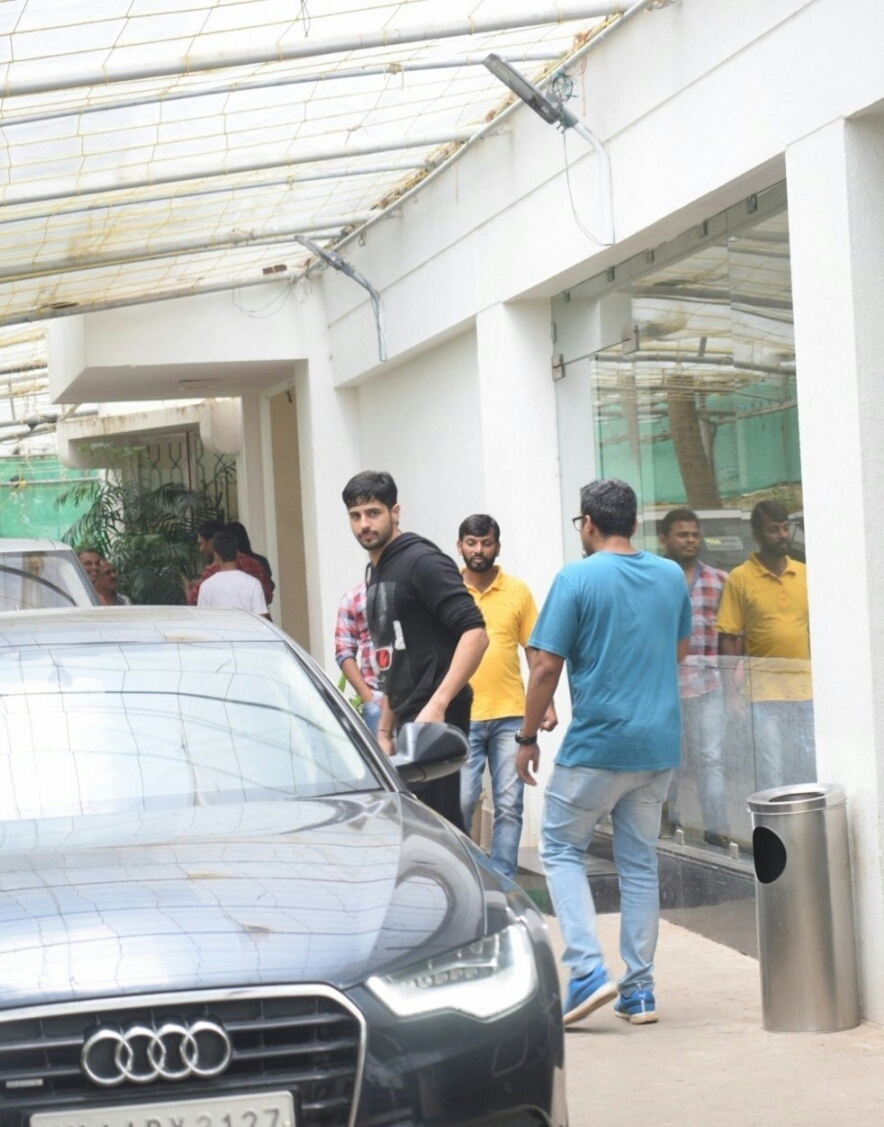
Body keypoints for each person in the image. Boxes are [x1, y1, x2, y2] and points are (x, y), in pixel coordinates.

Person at [516, 479, 691, 1027]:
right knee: (639, 864)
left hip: (598, 744)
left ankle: (588, 969)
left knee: (560, 848)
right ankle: (639, 992)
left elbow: (545, 666)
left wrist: (525, 739)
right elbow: (678, 651)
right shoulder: (669, 577)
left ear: (588, 524)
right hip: (658, 746)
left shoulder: (575, 578)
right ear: (634, 524)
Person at [342, 471, 488, 830]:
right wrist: (385, 729)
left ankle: (464, 887)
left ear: (395, 512)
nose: (364, 524)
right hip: (406, 718)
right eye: (356, 516)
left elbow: (476, 634)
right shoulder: (377, 570)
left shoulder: (422, 561)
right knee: (418, 828)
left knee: (440, 828)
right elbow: (396, 655)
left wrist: (437, 706)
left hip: (437, 717)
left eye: (373, 513)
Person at [457, 513, 557, 878]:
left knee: (510, 804)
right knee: (462, 801)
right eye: (471, 542)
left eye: (486, 543)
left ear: (497, 546)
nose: (479, 550)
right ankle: (468, 879)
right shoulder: (448, 588)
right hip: (462, 715)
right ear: (460, 546)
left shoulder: (517, 591)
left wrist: (545, 702)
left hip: (511, 714)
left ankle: (503, 884)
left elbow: (535, 652)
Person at [716, 500, 814, 791]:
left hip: (806, 691)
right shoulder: (740, 578)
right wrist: (731, 694)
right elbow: (729, 638)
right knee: (771, 772)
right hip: (763, 695)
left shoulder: (805, 572)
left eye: (785, 528)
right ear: (757, 534)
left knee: (810, 767)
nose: (782, 535)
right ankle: (776, 834)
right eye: (773, 530)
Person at [659, 508, 729, 847]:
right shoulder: (653, 579)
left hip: (708, 687)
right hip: (664, 688)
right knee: (668, 761)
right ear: (664, 539)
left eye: (694, 535)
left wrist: (735, 690)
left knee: (710, 761)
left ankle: (718, 832)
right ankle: (672, 827)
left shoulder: (719, 580)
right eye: (682, 535)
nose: (690, 540)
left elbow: (730, 638)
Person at [335, 581, 384, 736]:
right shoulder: (354, 598)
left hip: (417, 704)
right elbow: (344, 651)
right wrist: (368, 700)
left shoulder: (412, 589)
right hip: (377, 704)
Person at [185, 519, 273, 607]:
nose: (201, 549)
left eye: (201, 543)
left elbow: (192, 600)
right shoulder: (256, 564)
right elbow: (268, 596)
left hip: (225, 619)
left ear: (211, 543)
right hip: (252, 619)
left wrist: (187, 587)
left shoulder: (213, 570)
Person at [196, 529, 269, 617]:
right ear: (237, 554)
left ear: (217, 556)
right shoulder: (253, 584)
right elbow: (261, 618)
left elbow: (203, 619)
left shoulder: (206, 587)